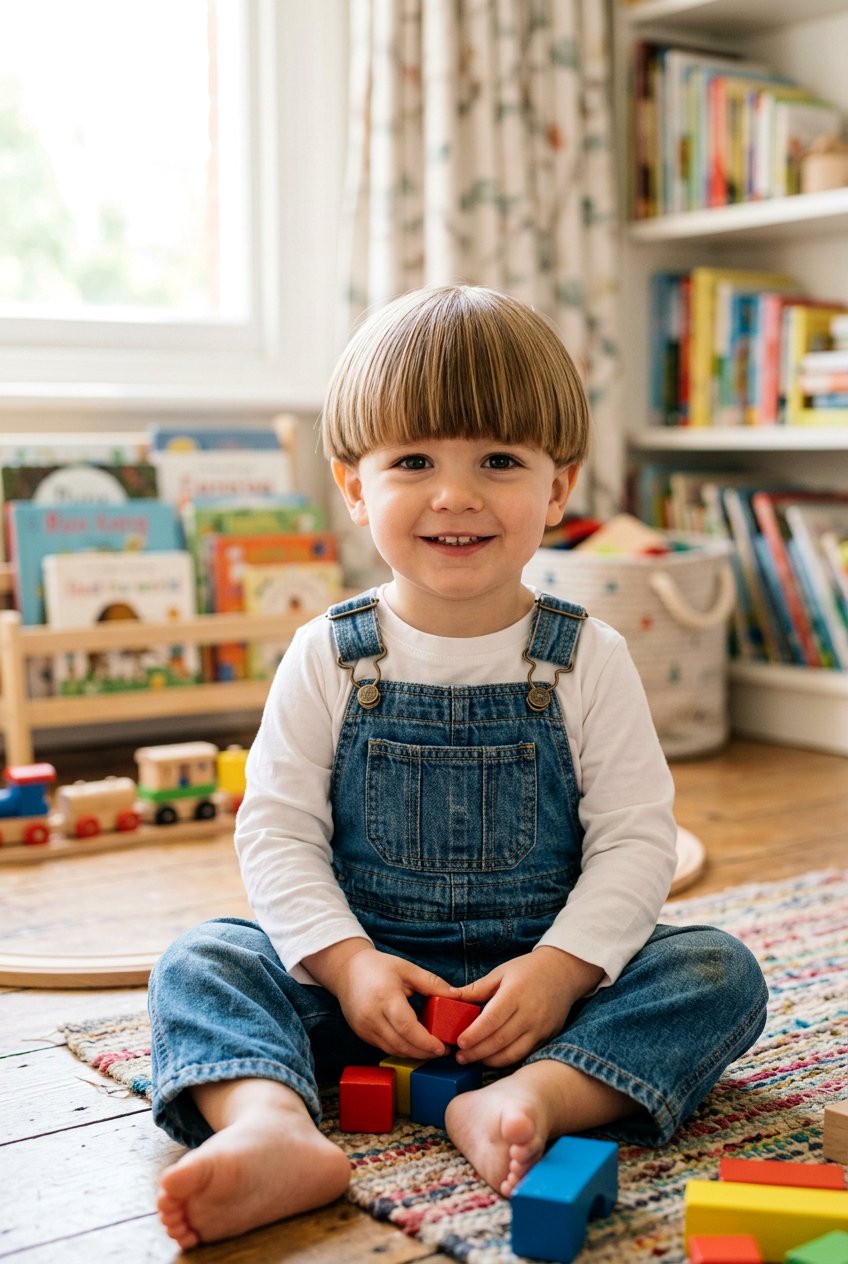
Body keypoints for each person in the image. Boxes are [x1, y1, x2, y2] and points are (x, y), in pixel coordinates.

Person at [148, 285, 768, 1250]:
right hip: (361, 994)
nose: (456, 493)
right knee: (204, 961)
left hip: (546, 994)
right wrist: (347, 967)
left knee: (717, 970)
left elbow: (637, 838)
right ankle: (271, 1125)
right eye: (414, 462)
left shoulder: (587, 656)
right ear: (355, 486)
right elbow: (275, 829)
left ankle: (534, 1098)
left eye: (498, 461)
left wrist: (562, 973)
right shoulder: (329, 653)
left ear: (557, 488)